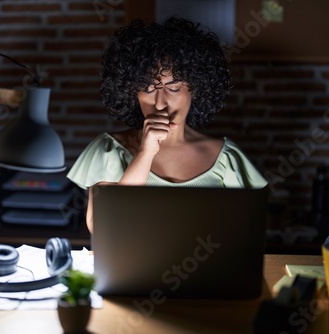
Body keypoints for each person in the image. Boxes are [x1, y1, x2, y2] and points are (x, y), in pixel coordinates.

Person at [67, 17, 267, 233]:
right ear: (132, 92)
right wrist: (146, 152)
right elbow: (104, 228)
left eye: (173, 89)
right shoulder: (109, 149)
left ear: (196, 89)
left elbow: (247, 231)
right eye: (149, 89)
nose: (160, 102)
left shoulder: (226, 157)